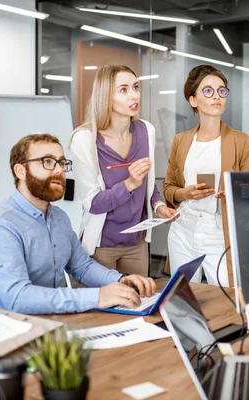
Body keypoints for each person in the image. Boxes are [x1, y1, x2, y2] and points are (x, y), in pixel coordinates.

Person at [0, 134, 157, 314]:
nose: (59, 170)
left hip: (46, 322)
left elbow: (82, 266)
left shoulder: (59, 217)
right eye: (48, 161)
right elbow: (18, 297)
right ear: (20, 171)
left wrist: (119, 280)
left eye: (61, 162)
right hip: (0, 330)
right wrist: (97, 296)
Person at [71, 65, 177, 277]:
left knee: (139, 302)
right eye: (124, 90)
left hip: (137, 244)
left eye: (136, 87)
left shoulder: (146, 131)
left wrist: (159, 206)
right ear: (105, 96)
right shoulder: (84, 140)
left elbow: (148, 186)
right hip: (102, 245)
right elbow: (92, 203)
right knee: (105, 308)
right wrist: (128, 185)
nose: (134, 95)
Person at [164, 65, 249, 287]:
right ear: (193, 100)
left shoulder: (241, 141)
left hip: (218, 230)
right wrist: (184, 193)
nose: (217, 96)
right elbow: (169, 187)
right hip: (183, 227)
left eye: (221, 91)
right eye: (208, 91)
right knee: (182, 296)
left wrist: (235, 192)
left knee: (228, 295)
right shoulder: (181, 140)